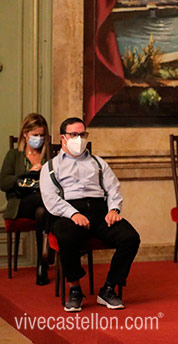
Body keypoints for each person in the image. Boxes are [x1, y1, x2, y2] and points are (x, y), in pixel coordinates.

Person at [40, 117, 140, 312]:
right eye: (74, 135)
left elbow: (114, 189)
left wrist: (113, 209)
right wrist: (73, 213)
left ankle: (109, 288)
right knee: (66, 235)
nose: (79, 138)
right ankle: (75, 289)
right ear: (63, 138)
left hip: (99, 211)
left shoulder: (99, 163)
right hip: (67, 213)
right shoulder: (51, 167)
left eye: (82, 134)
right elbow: (50, 199)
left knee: (130, 238)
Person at [0, 113, 51, 285]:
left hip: (43, 206)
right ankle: (50, 249)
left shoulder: (49, 157)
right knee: (41, 201)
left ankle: (41, 265)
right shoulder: (14, 155)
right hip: (20, 203)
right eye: (35, 135)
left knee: (42, 211)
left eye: (42, 135)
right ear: (25, 134)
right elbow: (4, 183)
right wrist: (26, 175)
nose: (39, 139)